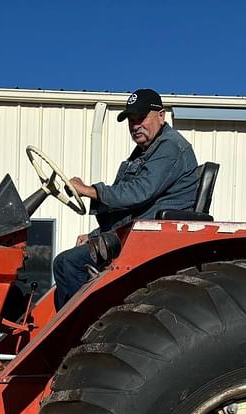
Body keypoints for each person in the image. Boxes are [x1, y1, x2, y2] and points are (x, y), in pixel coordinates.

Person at [52, 88, 201, 308]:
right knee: (69, 261)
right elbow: (128, 210)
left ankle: (82, 332)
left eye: (141, 118)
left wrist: (89, 190)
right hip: (135, 232)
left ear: (161, 115)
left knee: (68, 263)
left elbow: (137, 193)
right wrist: (96, 234)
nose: (135, 125)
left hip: (152, 238)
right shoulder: (143, 152)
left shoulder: (170, 147)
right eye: (131, 120)